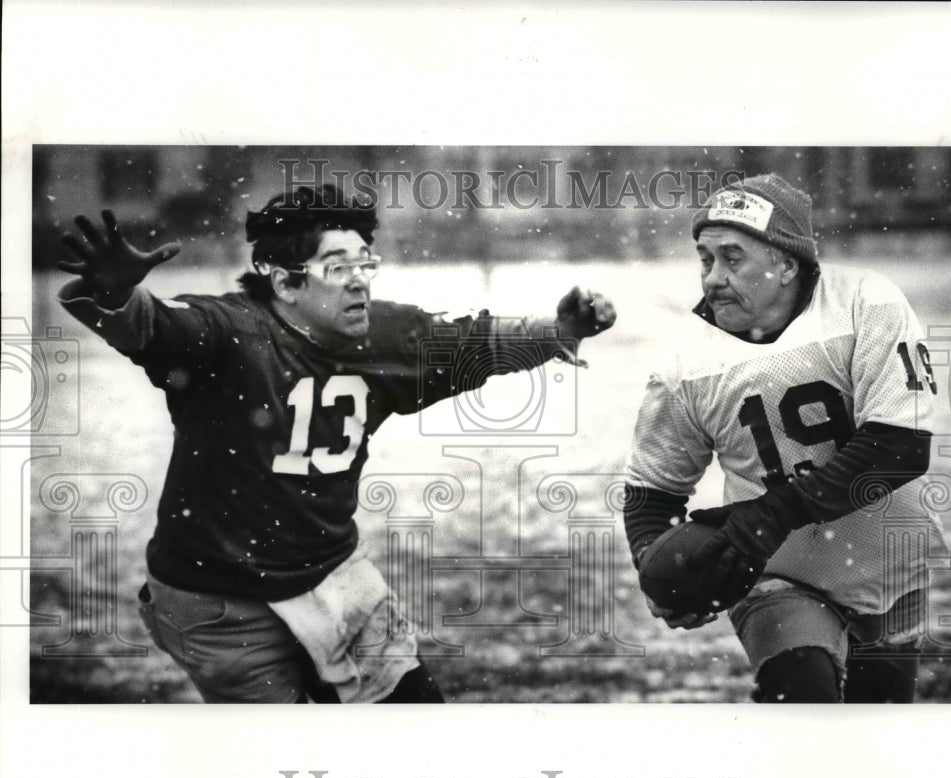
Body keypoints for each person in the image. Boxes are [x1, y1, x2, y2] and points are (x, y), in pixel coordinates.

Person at [58, 182, 616, 703]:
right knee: (281, 764)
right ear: (285, 281)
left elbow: (476, 341)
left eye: (363, 263)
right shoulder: (227, 332)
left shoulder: (385, 334)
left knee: (415, 721)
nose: (359, 280)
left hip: (330, 570)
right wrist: (113, 292)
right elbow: (150, 326)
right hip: (217, 596)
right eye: (337, 267)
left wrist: (560, 330)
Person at [624, 173, 946, 703]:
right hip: (778, 576)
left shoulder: (866, 303)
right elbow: (650, 491)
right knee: (802, 696)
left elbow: (898, 448)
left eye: (733, 258)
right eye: (706, 259)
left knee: (875, 741)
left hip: (891, 563)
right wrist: (659, 569)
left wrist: (767, 517)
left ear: (787, 262)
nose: (712, 278)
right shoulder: (686, 362)